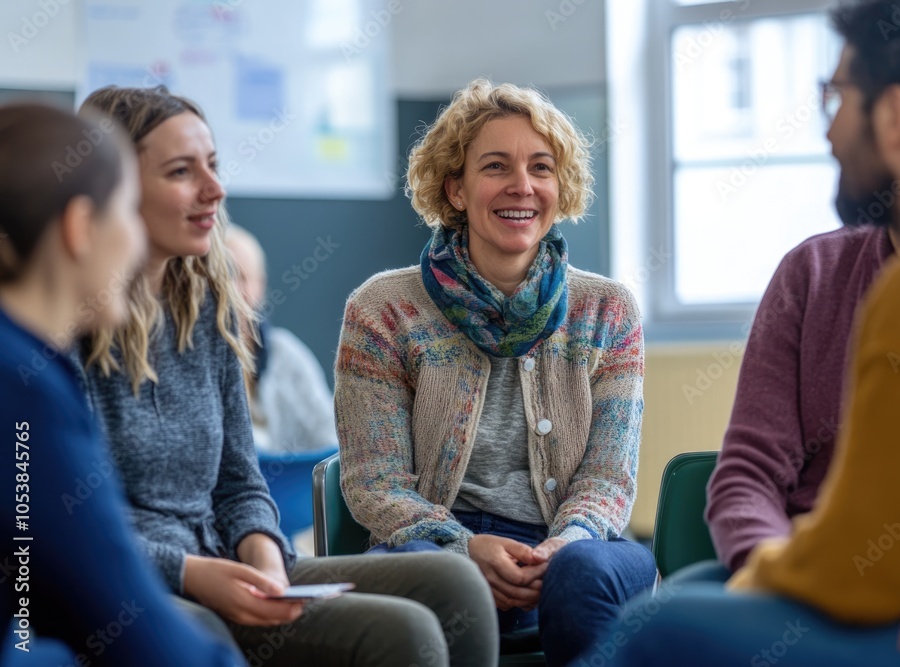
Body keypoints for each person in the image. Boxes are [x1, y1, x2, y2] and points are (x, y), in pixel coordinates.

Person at [578, 0, 900, 664]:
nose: (829, 132)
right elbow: (759, 478)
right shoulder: (836, 268)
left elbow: (868, 565)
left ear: (894, 116)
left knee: (655, 631)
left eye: (837, 98)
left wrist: (773, 580)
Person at [73, 85, 498, 667]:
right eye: (180, 171)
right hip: (133, 585)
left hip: (229, 561)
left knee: (455, 586)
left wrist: (267, 559)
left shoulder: (209, 312)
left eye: (214, 166)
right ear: (113, 188)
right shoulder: (59, 331)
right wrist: (195, 574)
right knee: (400, 634)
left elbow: (240, 483)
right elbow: (57, 527)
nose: (215, 190)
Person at [334, 79, 657, 667]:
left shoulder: (608, 309)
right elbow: (375, 484)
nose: (523, 186)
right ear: (455, 189)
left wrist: (566, 542)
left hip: (577, 542)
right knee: (425, 579)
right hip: (433, 541)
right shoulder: (382, 309)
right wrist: (461, 545)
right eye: (496, 166)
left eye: (541, 167)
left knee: (584, 573)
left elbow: (610, 478)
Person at [0, 104, 243, 666]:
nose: (137, 247)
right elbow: (124, 618)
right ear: (80, 228)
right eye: (126, 218)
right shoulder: (25, 388)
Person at [700, 179, 896, 580]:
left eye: (841, 110)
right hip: (799, 566)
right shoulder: (814, 268)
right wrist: (780, 573)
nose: (829, 130)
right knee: (662, 626)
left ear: (898, 121)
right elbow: (749, 475)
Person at [225, 225, 337, 453]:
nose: (233, 291)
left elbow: (330, 438)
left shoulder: (285, 352)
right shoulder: (190, 357)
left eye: (243, 278)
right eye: (224, 277)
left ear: (262, 285)